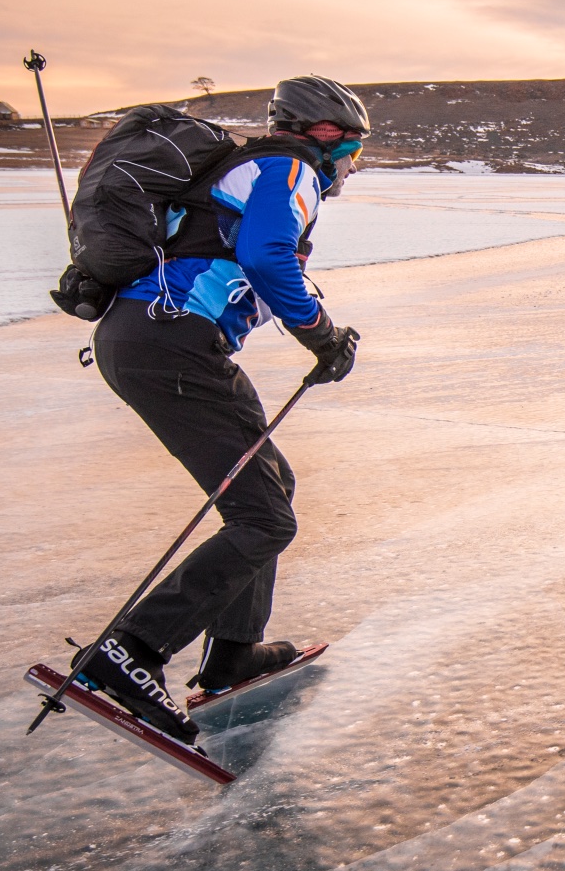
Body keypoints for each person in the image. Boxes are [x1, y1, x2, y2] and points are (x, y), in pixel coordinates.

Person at [75, 76, 368, 743]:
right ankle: (131, 650)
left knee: (270, 492)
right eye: (356, 150)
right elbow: (267, 257)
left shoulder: (253, 169)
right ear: (333, 139)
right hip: (168, 342)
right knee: (262, 516)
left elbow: (246, 259)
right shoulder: (287, 168)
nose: (354, 165)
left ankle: (234, 651)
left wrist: (320, 328)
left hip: (159, 339)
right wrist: (319, 335)